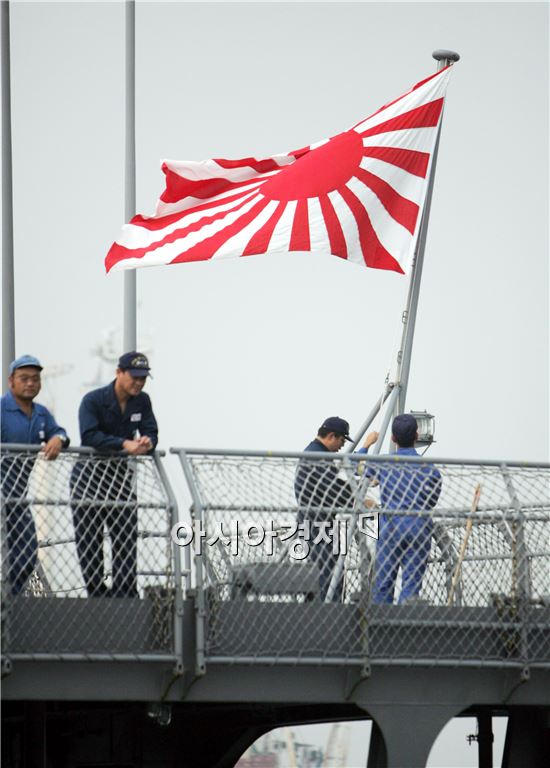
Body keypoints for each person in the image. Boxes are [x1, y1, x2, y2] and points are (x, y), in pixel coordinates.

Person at [71, 352, 158, 597]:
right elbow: (89, 435)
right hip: (88, 480)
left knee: (126, 535)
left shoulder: (142, 401)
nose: (139, 383)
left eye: (143, 378)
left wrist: (146, 441)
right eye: (134, 377)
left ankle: (125, 593)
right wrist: (124, 444)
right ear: (119, 373)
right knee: (90, 540)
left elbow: (151, 429)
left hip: (119, 479)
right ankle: (97, 594)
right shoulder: (93, 400)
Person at [1, 355, 70, 594]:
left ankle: (12, 596)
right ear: (11, 381)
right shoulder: (2, 410)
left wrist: (57, 439)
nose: (30, 383)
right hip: (1, 490)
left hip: (18, 494)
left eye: (35, 379)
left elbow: (59, 432)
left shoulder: (41, 414)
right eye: (24, 379)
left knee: (27, 548)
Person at [359, 414, 442, 604]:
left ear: (393, 438)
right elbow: (432, 500)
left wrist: (367, 444)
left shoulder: (384, 462)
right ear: (416, 435)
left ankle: (380, 626)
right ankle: (406, 625)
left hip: (390, 527)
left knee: (383, 583)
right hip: (419, 527)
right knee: (411, 586)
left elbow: (354, 465)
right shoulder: (429, 468)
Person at [294, 416, 378, 601]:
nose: (341, 445)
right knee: (329, 577)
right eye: (341, 440)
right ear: (332, 436)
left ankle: (317, 614)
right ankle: (327, 617)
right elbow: (331, 490)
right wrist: (361, 498)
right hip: (317, 525)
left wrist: (361, 486)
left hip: (312, 522)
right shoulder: (319, 457)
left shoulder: (315, 453)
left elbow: (333, 482)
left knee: (320, 574)